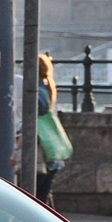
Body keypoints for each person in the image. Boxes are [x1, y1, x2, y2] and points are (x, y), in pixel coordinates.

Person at [35, 53, 69, 205]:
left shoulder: (37, 92)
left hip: (43, 153)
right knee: (43, 194)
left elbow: (38, 113)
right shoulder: (48, 88)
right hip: (52, 151)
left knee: (37, 196)